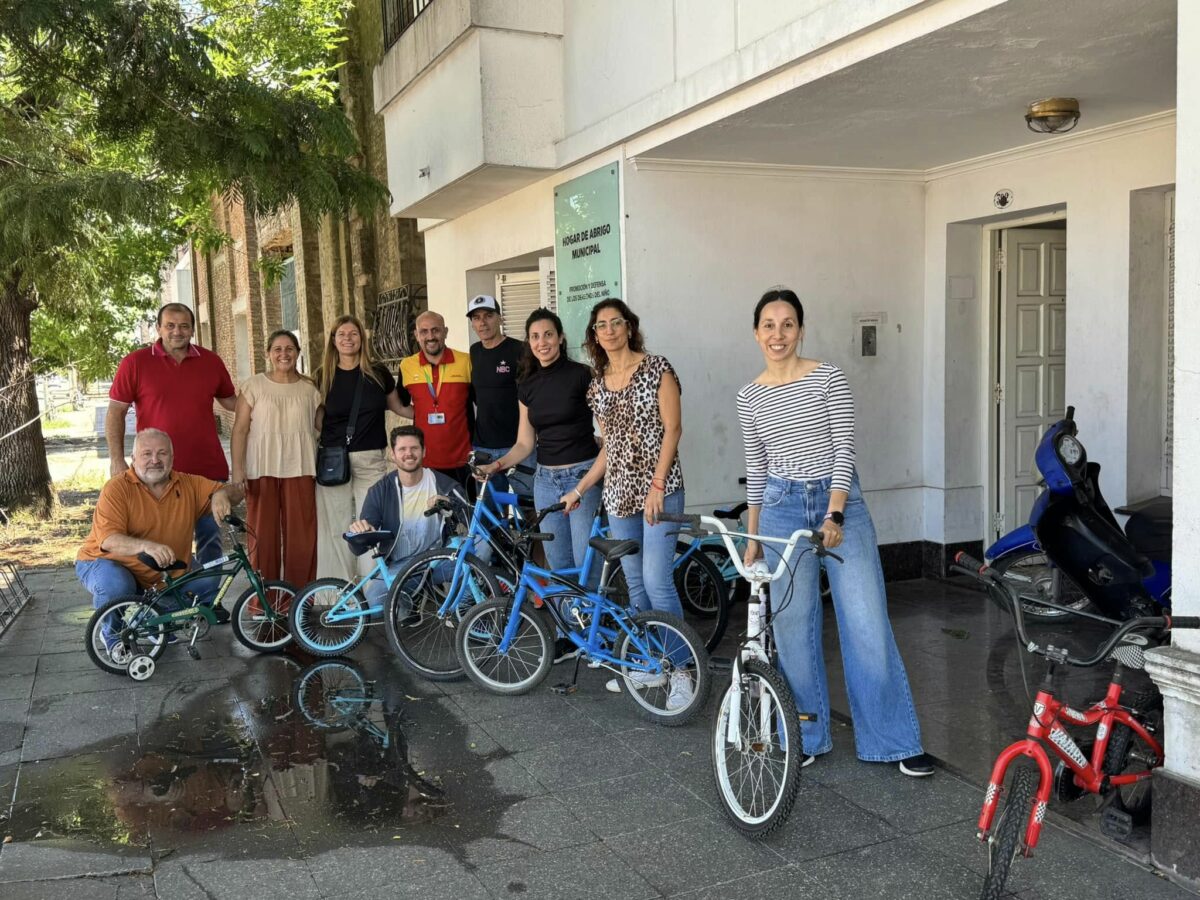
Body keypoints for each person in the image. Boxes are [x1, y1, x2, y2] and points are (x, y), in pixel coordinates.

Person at [737, 287, 933, 777]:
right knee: (793, 627)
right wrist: (753, 537)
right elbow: (756, 468)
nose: (777, 334)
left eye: (787, 324)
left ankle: (892, 741)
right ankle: (807, 735)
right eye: (768, 324)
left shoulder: (828, 378)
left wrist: (835, 514)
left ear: (800, 329)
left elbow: (843, 449)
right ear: (756, 332)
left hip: (840, 503)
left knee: (865, 622)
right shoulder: (749, 396)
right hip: (781, 507)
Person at [565, 299, 688, 702]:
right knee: (635, 584)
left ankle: (684, 670)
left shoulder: (657, 369)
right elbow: (610, 448)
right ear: (595, 336)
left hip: (660, 487)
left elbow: (673, 430)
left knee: (656, 579)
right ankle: (652, 664)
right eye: (601, 325)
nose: (610, 330)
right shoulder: (597, 385)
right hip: (619, 493)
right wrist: (581, 489)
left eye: (616, 322)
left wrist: (655, 486)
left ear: (629, 327)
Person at [478, 309, 601, 663]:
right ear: (529, 344)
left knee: (584, 559)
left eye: (548, 335)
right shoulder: (527, 385)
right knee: (558, 561)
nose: (542, 342)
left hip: (582, 477)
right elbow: (524, 444)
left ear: (560, 338)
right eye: (535, 337)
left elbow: (604, 427)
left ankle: (593, 633)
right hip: (545, 479)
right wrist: (494, 466)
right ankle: (568, 634)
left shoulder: (582, 376)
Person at [106, 303, 236, 590]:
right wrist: (116, 460)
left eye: (184, 326)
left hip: (205, 472)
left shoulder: (211, 362)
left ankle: (206, 602)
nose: (178, 331)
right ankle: (163, 602)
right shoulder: (136, 362)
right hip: (156, 473)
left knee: (210, 541)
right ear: (159, 328)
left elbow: (232, 402)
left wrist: (272, 398)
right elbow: (115, 412)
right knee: (160, 544)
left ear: (192, 328)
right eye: (171, 325)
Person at [76, 429, 239, 646]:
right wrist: (146, 546)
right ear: (133, 459)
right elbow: (108, 540)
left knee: (207, 582)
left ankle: (151, 620)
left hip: (161, 568)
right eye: (147, 454)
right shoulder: (117, 488)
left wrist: (222, 494)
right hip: (105, 562)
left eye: (162, 453)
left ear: (172, 458)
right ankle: (113, 634)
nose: (155, 460)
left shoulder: (188, 484)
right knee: (117, 586)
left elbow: (237, 492)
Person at [314, 316, 413, 581]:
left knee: (371, 527)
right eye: (341, 334)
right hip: (333, 461)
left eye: (353, 333)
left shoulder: (378, 372)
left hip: (370, 459)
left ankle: (374, 591)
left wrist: (440, 417)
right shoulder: (323, 376)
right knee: (335, 528)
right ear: (333, 340)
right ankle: (337, 591)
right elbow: (315, 421)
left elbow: (400, 407)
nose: (347, 338)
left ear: (362, 338)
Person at [230, 330, 322, 589]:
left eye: (290, 348)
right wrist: (237, 472)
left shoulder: (309, 388)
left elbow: (323, 426)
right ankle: (263, 602)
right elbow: (239, 430)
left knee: (302, 539)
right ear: (268, 353)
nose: (284, 354)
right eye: (278, 349)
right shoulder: (254, 385)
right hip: (261, 469)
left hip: (301, 467)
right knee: (263, 538)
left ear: (297, 353)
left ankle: (299, 598)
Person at [346, 426, 460, 614]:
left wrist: (450, 503)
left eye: (414, 448)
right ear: (393, 454)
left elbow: (470, 515)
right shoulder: (380, 490)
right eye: (402, 449)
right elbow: (358, 547)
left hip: (438, 560)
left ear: (424, 451)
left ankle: (461, 610)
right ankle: (410, 599)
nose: (409, 454)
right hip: (402, 566)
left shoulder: (442, 483)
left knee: (481, 546)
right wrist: (361, 530)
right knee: (375, 602)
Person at [466, 294, 533, 497]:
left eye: (488, 316)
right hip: (484, 447)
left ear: (500, 318)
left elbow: (531, 395)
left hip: (517, 446)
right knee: (490, 514)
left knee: (528, 505)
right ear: (472, 324)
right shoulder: (474, 351)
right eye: (476, 318)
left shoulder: (519, 350)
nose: (482, 323)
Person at [398, 311, 473, 487]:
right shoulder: (407, 365)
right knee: (431, 512)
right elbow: (400, 403)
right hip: (425, 460)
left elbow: (482, 402)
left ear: (445, 332)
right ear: (416, 335)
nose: (430, 336)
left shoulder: (465, 361)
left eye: (436, 330)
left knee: (465, 512)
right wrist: (421, 414)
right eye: (424, 331)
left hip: (463, 459)